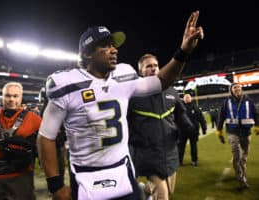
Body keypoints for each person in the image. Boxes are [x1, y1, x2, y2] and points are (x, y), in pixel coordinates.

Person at [37, 10, 204, 200]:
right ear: (87, 53)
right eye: (105, 46)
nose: (114, 50)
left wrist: (183, 51)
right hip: (86, 174)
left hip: (121, 170)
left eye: (113, 45)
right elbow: (45, 137)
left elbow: (161, 82)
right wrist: (56, 185)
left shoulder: (123, 76)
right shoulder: (66, 84)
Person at [127, 53, 194, 200]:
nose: (153, 69)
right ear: (140, 71)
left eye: (155, 65)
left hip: (170, 152)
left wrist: (188, 126)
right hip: (148, 154)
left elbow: (180, 114)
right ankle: (148, 190)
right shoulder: (133, 95)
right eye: (148, 66)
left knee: (170, 190)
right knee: (163, 195)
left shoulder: (171, 91)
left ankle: (144, 190)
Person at [215, 82, 259, 189]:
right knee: (236, 156)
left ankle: (239, 173)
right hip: (232, 132)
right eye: (235, 87)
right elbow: (221, 117)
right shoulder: (226, 102)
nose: (237, 88)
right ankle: (242, 180)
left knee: (243, 157)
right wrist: (219, 131)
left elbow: (256, 114)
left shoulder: (249, 101)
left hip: (246, 132)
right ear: (231, 90)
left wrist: (257, 125)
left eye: (239, 87)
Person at [178, 93, 207, 166]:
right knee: (181, 147)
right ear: (183, 99)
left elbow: (201, 118)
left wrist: (204, 128)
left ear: (191, 98)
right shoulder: (180, 108)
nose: (187, 98)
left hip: (193, 131)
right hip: (182, 131)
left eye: (188, 97)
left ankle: (194, 160)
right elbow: (175, 119)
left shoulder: (195, 107)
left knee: (193, 146)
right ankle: (179, 161)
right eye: (186, 97)